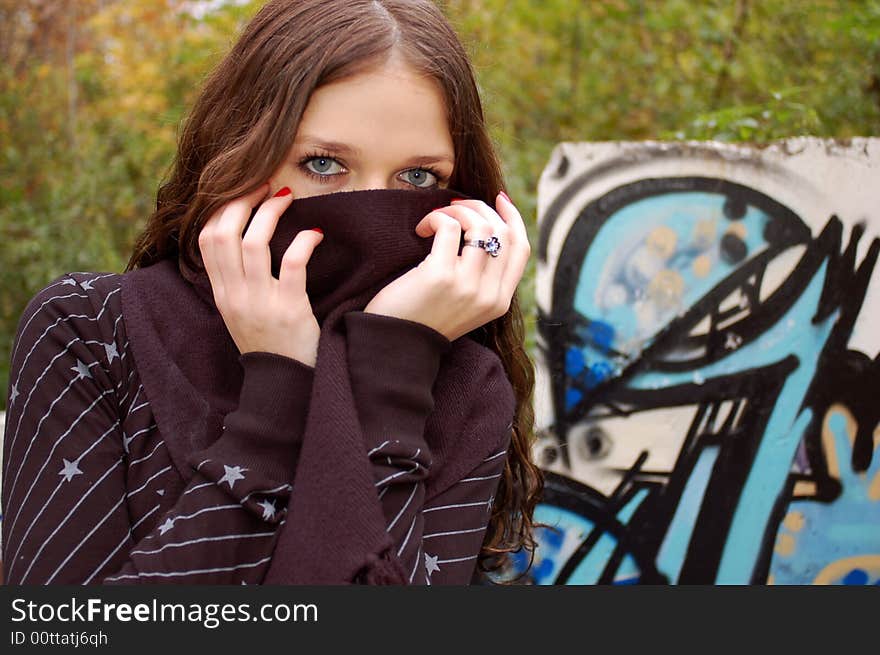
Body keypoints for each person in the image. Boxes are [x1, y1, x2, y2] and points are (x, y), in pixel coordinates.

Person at [1, 0, 541, 585]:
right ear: (240, 153)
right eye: (323, 163)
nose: (368, 207)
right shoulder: (90, 332)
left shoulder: (464, 384)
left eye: (418, 178)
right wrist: (275, 399)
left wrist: (389, 372)